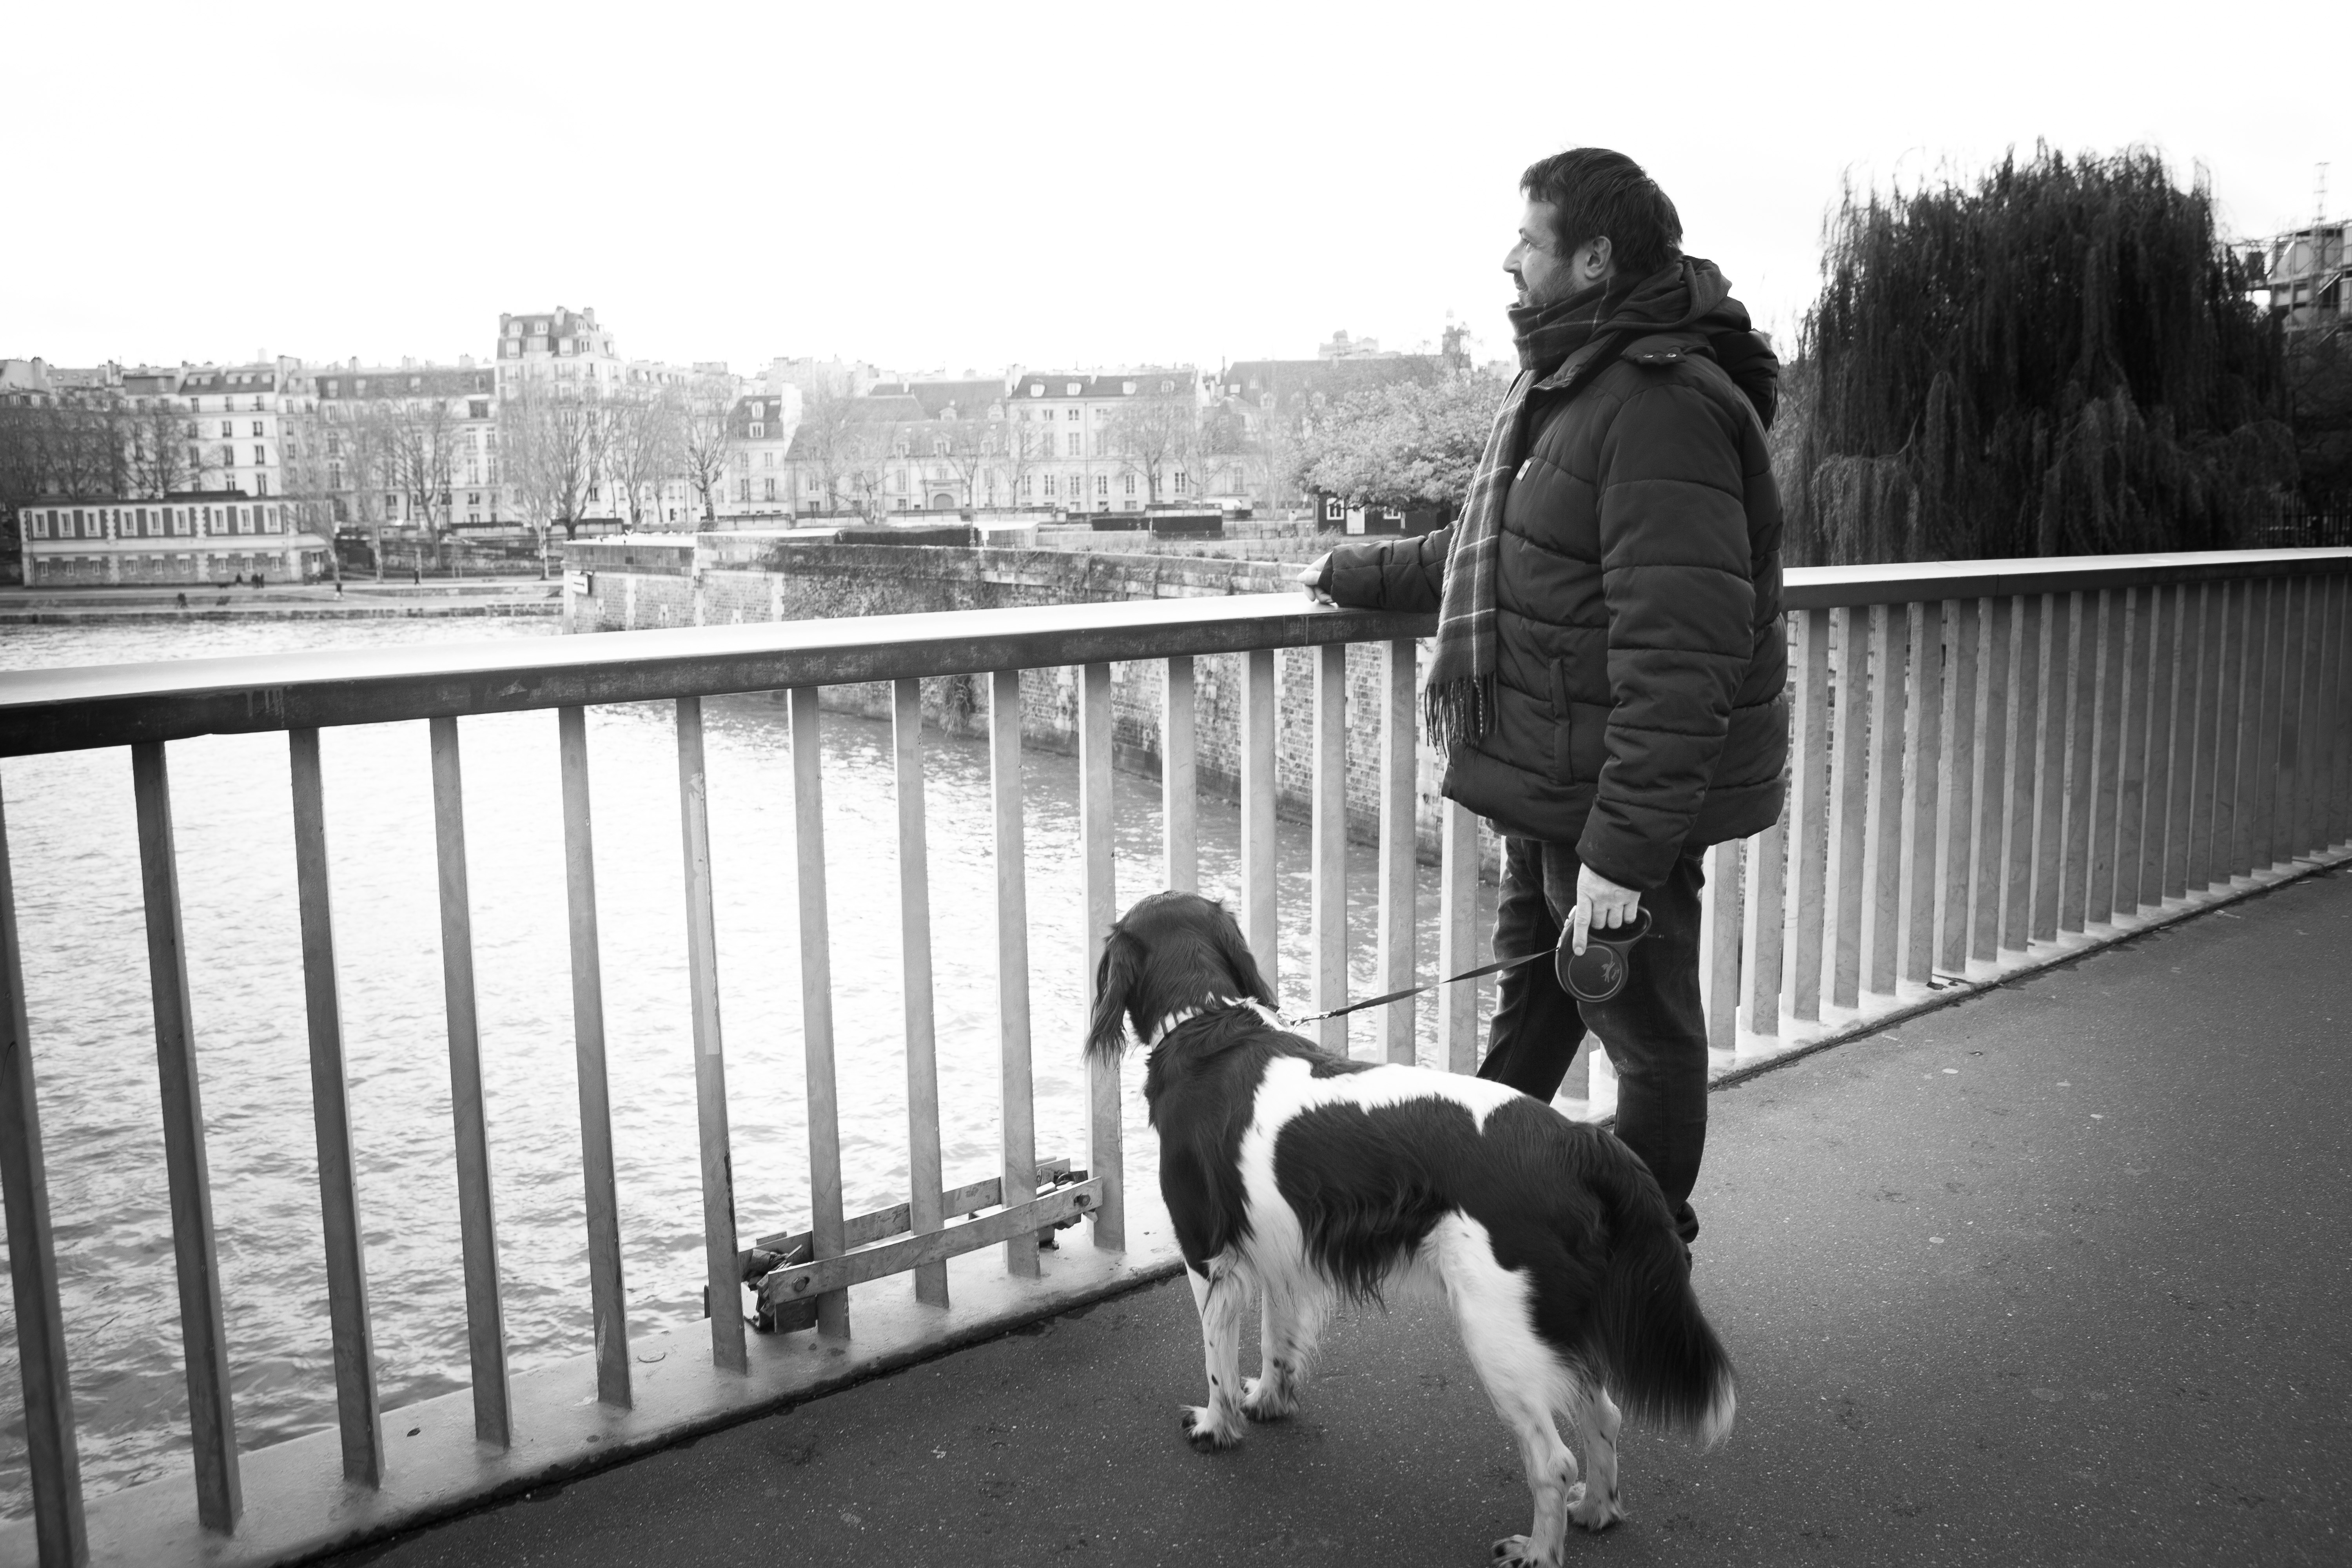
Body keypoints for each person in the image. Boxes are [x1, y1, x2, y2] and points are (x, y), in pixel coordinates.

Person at [1299, 148, 1788, 1249]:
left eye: (1529, 240)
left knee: (1646, 1036)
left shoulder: (1659, 404)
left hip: (1605, 798)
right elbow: (1500, 548)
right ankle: (1472, 1214)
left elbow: (1684, 653)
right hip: (1552, 782)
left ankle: (1641, 1256)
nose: (1508, 260)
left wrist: (1621, 854)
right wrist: (1351, 570)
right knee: (1539, 1002)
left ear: (1594, 258)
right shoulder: (1572, 384)